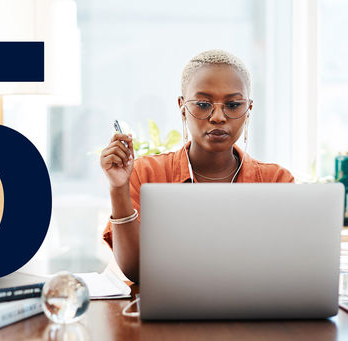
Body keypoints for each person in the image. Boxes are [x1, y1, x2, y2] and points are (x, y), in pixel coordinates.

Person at [99, 50, 294, 283]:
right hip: (169, 312)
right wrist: (117, 187)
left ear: (249, 108)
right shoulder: (146, 174)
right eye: (203, 104)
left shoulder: (276, 181)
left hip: (253, 309)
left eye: (233, 105)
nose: (218, 117)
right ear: (182, 106)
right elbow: (137, 272)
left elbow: (284, 269)